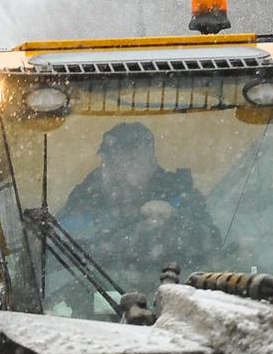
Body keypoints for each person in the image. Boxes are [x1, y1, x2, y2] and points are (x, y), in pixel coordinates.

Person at [58, 121, 219, 288]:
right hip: (93, 296)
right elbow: (59, 244)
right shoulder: (87, 197)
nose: (120, 173)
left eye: (130, 162)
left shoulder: (179, 196)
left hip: (171, 296)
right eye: (112, 163)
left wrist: (174, 219)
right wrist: (122, 235)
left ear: (152, 163)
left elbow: (212, 245)